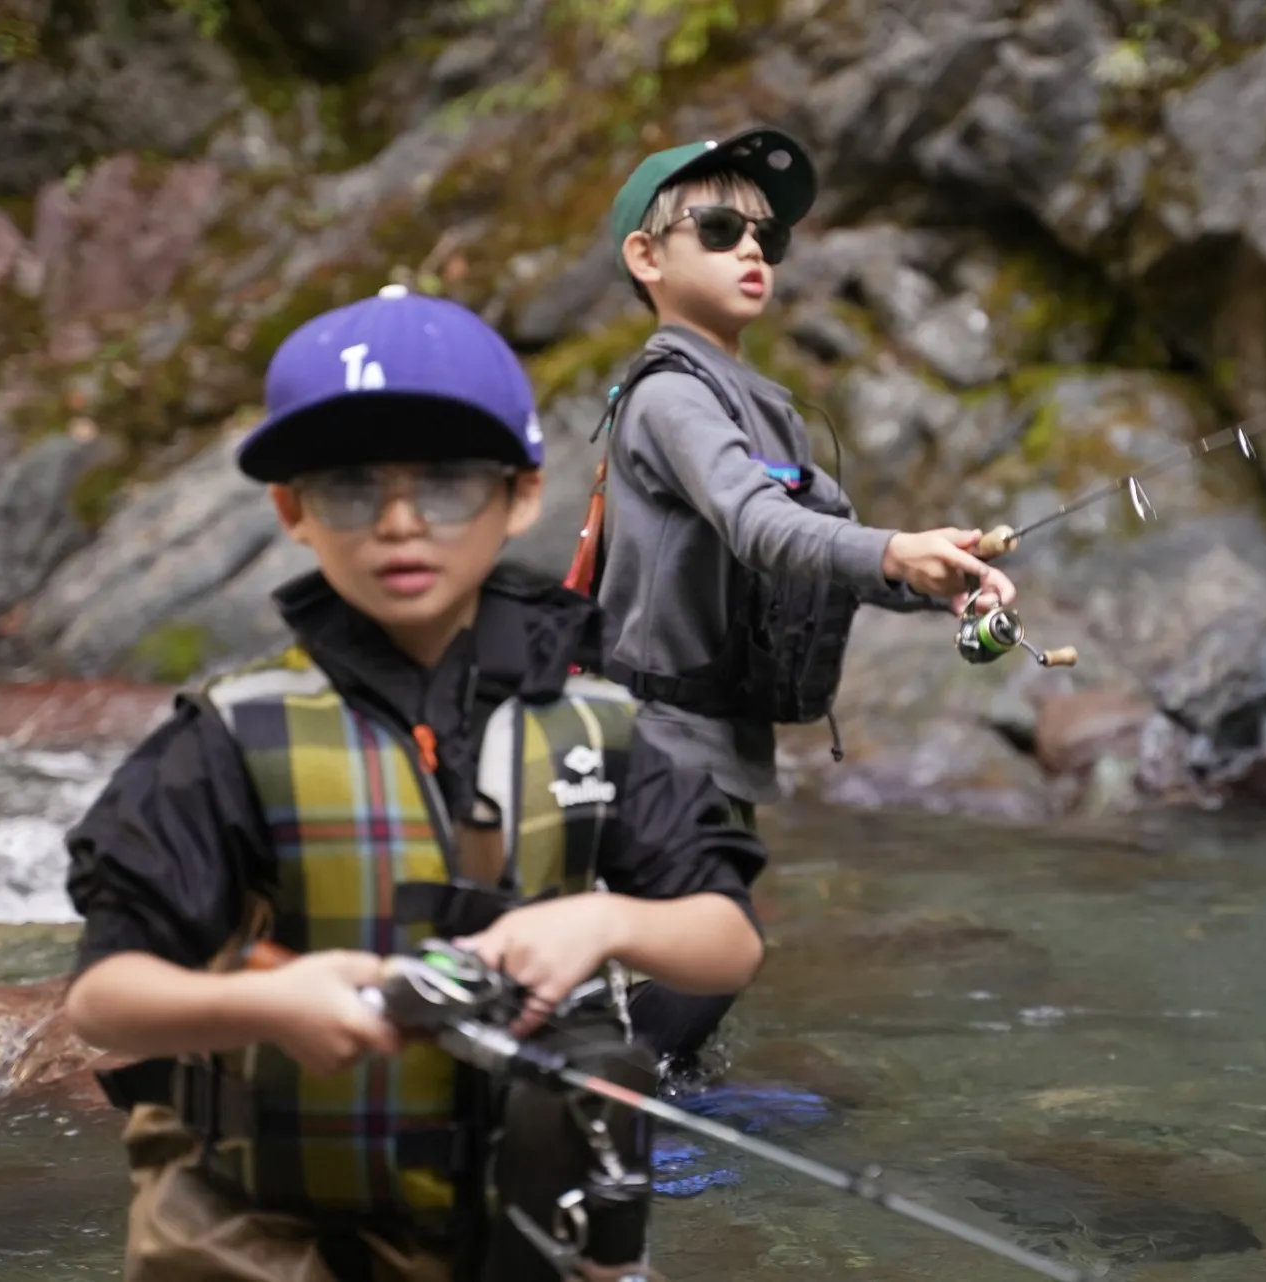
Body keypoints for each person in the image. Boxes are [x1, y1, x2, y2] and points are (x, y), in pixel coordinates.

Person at [60, 283, 771, 1282]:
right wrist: (271, 1004)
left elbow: (729, 941)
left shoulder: (597, 728)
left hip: (524, 1235)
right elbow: (103, 1000)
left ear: (521, 496)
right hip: (270, 1244)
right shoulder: (224, 741)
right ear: (293, 509)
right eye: (352, 486)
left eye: (445, 482)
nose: (400, 522)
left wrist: (604, 922)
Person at [572, 126, 1017, 1065]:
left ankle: (654, 1096)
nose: (751, 250)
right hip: (652, 746)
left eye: (766, 237)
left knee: (686, 967)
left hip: (718, 751)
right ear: (647, 258)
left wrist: (947, 575)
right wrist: (894, 551)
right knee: (706, 956)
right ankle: (612, 1105)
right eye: (720, 228)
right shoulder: (670, 398)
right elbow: (761, 525)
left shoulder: (765, 407)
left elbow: (831, 550)